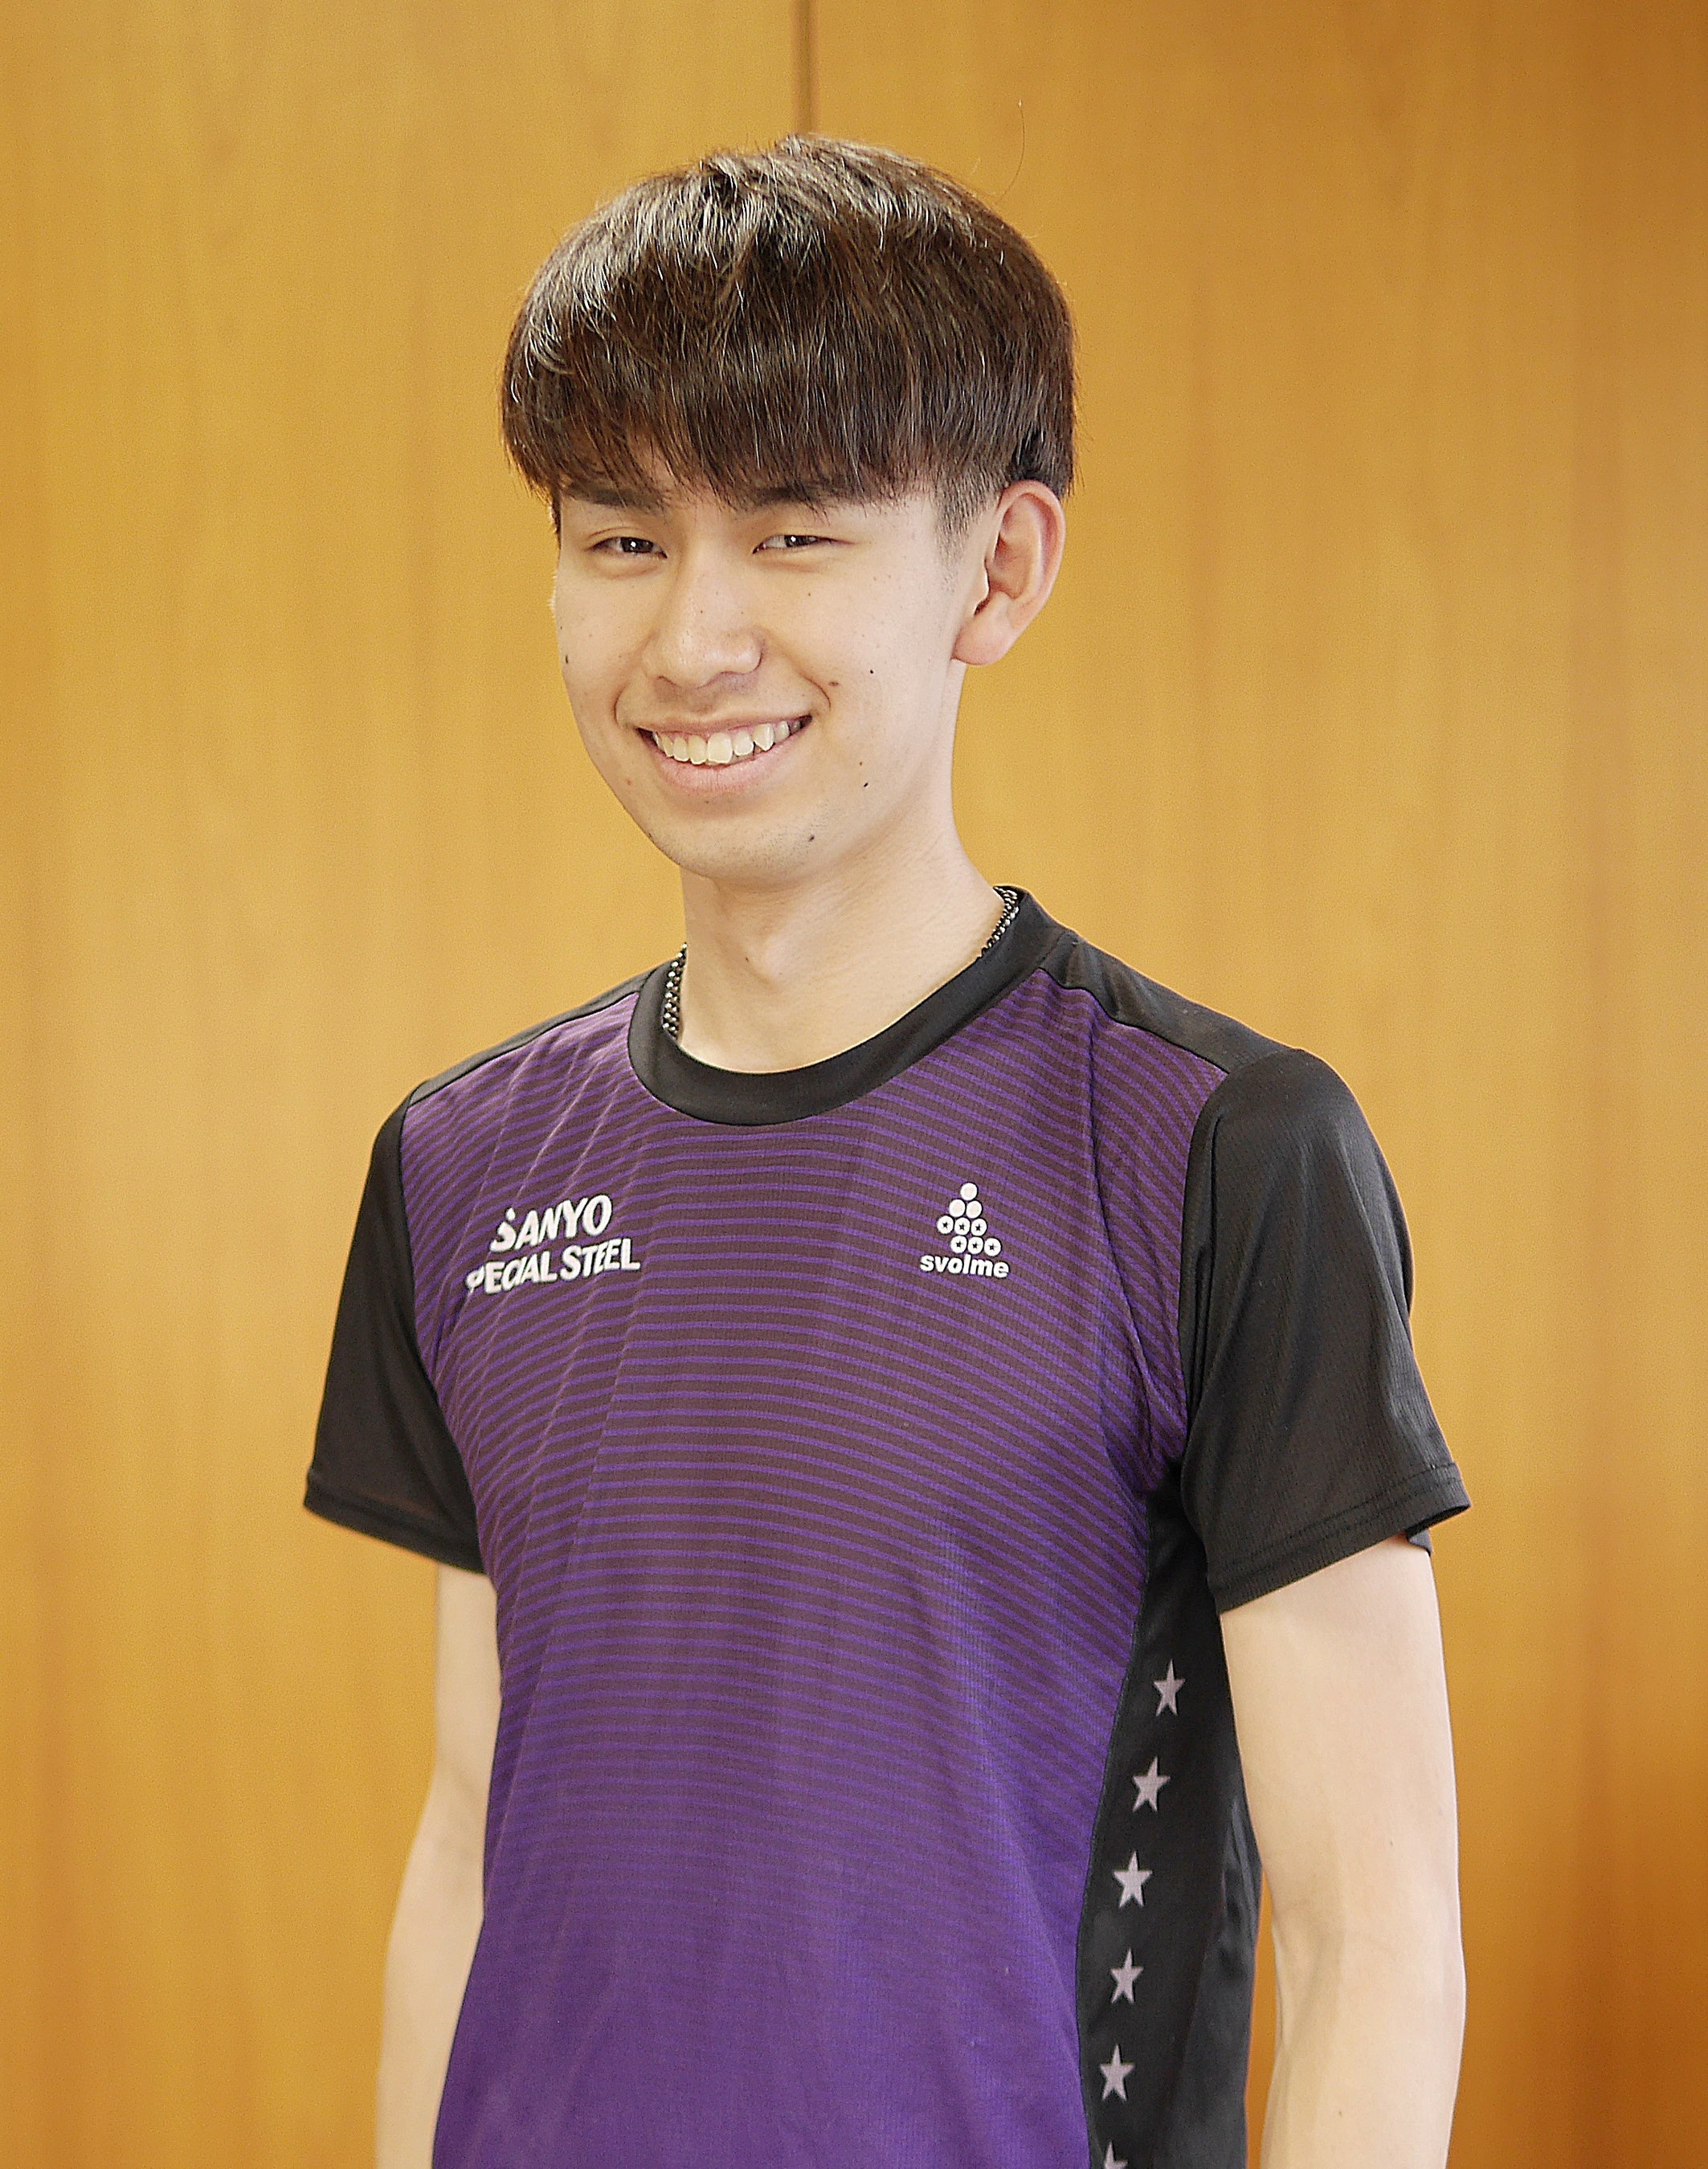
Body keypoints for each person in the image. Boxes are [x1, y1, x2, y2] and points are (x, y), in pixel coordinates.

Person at [305, 135, 1469, 2169]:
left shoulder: (1214, 1152)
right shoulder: (459, 1163)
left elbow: (1372, 1937)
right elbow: (475, 1840)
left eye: (795, 533)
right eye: (622, 538)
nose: (693, 640)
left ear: (998, 570)